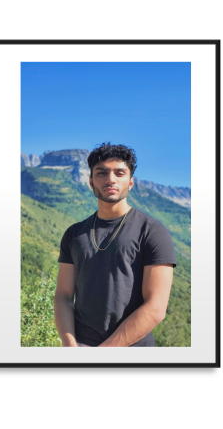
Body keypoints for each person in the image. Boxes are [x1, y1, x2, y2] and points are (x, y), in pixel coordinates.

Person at [54, 143, 177, 347]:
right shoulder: (74, 234)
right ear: (91, 182)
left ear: (131, 182)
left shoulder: (153, 232)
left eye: (119, 173)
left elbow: (155, 307)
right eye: (101, 173)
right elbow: (63, 296)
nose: (110, 179)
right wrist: (70, 346)